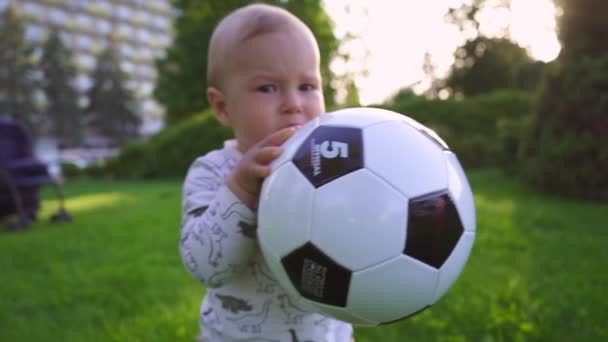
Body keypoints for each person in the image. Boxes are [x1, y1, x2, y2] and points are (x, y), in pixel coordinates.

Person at [179, 4, 354, 341]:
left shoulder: (338, 168)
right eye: (268, 88)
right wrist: (240, 190)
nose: (294, 104)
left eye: (307, 86)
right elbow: (205, 266)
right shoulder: (213, 172)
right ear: (223, 106)